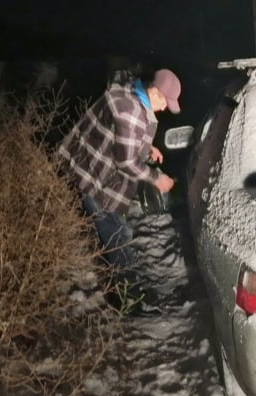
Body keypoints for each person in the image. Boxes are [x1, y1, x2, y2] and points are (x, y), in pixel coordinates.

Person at [58, 68, 181, 269]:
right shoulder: (132, 112)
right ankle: (127, 289)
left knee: (116, 231)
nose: (165, 108)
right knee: (117, 235)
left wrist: (147, 147)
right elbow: (126, 162)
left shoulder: (130, 92)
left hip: (91, 163)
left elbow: (123, 135)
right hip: (95, 176)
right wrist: (156, 178)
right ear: (155, 92)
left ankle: (120, 276)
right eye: (165, 102)